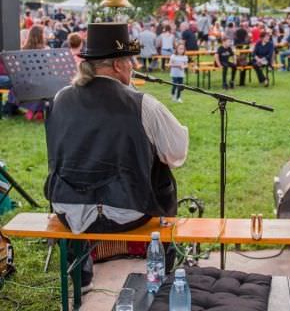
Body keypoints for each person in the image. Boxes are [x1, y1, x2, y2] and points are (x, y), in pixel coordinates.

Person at [44, 23, 188, 291]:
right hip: (129, 210)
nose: (133, 66)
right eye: (130, 61)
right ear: (120, 65)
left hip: (68, 209)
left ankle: (82, 271)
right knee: (163, 175)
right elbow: (176, 153)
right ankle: (164, 267)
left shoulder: (60, 99)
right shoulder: (141, 103)